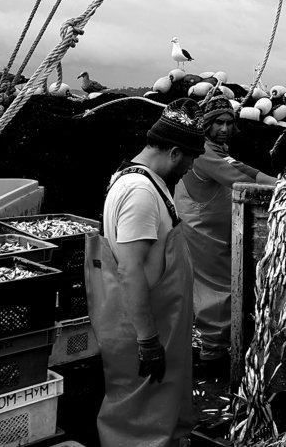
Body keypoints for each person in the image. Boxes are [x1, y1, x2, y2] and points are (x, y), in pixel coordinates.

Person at [85, 98, 205, 447]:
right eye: (190, 159)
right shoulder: (139, 192)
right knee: (139, 419)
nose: (190, 168)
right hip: (144, 322)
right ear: (174, 152)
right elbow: (130, 269)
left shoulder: (145, 181)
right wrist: (148, 340)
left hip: (158, 316)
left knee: (157, 411)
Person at [174, 93, 277, 377]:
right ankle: (212, 354)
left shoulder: (219, 150)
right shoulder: (205, 153)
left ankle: (216, 344)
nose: (223, 128)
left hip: (216, 228)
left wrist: (280, 183)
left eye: (228, 123)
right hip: (201, 229)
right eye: (217, 123)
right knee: (215, 288)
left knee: (221, 284)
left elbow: (245, 169)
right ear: (206, 125)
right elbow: (239, 180)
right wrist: (280, 191)